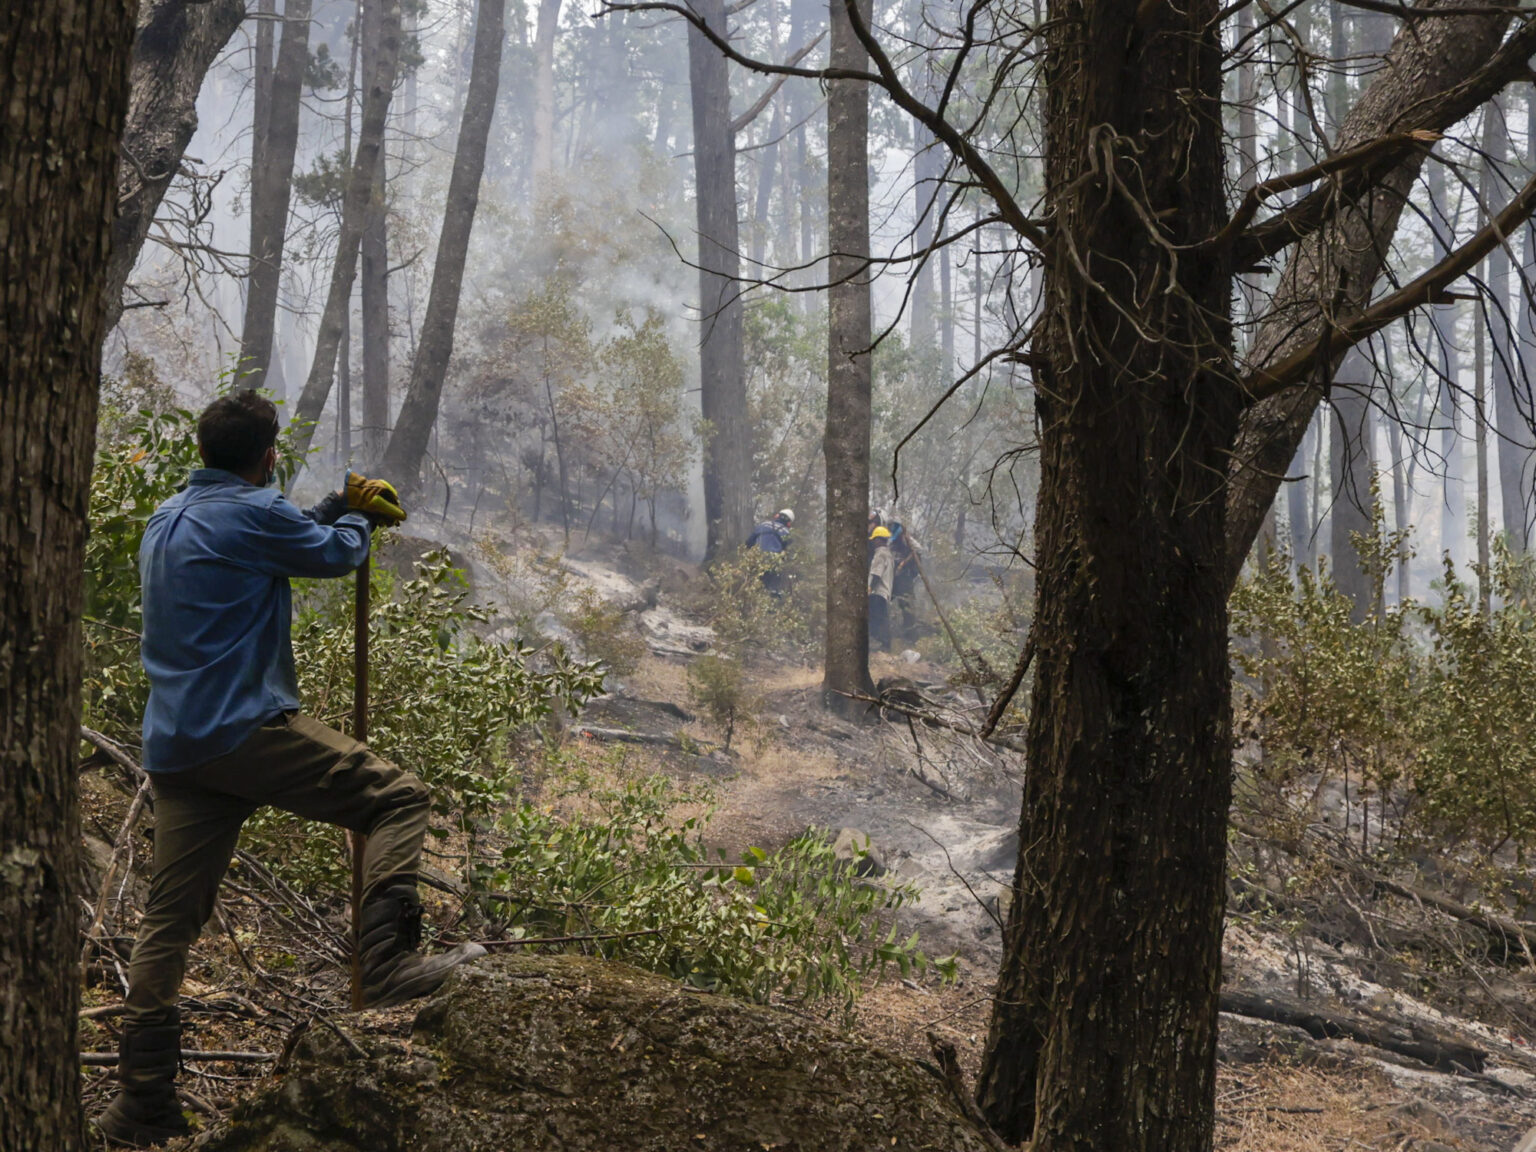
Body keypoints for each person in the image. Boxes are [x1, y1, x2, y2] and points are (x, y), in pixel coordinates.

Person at [95, 391, 484, 1148]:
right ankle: (392, 965)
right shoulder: (253, 512)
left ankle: (140, 1102)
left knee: (169, 922)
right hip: (243, 731)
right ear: (267, 455)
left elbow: (280, 531)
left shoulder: (167, 517)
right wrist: (358, 518)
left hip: (176, 747)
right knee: (399, 799)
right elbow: (335, 554)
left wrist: (333, 505)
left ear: (207, 449)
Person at [745, 508, 794, 599]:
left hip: (757, 559)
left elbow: (748, 543)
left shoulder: (762, 525)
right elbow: (787, 552)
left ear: (777, 516)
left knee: (755, 585)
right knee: (773, 587)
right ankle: (772, 603)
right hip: (773, 561)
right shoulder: (786, 533)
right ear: (788, 523)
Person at [887, 520, 919, 641]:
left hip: (905, 581)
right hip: (892, 580)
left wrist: (903, 564)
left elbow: (918, 550)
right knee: (882, 604)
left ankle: (910, 638)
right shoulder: (891, 544)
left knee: (907, 608)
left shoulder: (909, 544)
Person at [868, 526, 895, 653]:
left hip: (877, 592)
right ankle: (885, 646)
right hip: (885, 593)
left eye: (874, 540)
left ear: (878, 540)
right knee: (882, 619)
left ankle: (878, 644)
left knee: (875, 619)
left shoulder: (880, 554)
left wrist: (869, 589)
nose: (873, 542)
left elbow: (877, 575)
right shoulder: (889, 555)